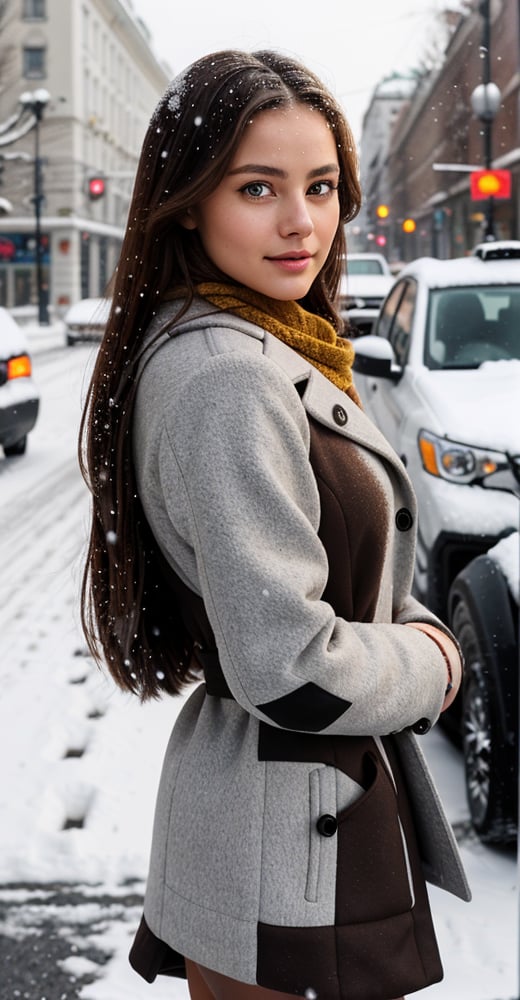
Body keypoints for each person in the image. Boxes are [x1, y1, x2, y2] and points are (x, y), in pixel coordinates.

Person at [79, 48, 470, 1000]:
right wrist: (441, 661)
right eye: (259, 187)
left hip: (285, 811)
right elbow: (288, 666)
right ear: (189, 201)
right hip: (291, 834)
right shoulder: (229, 376)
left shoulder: (257, 340)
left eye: (323, 186)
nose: (304, 223)